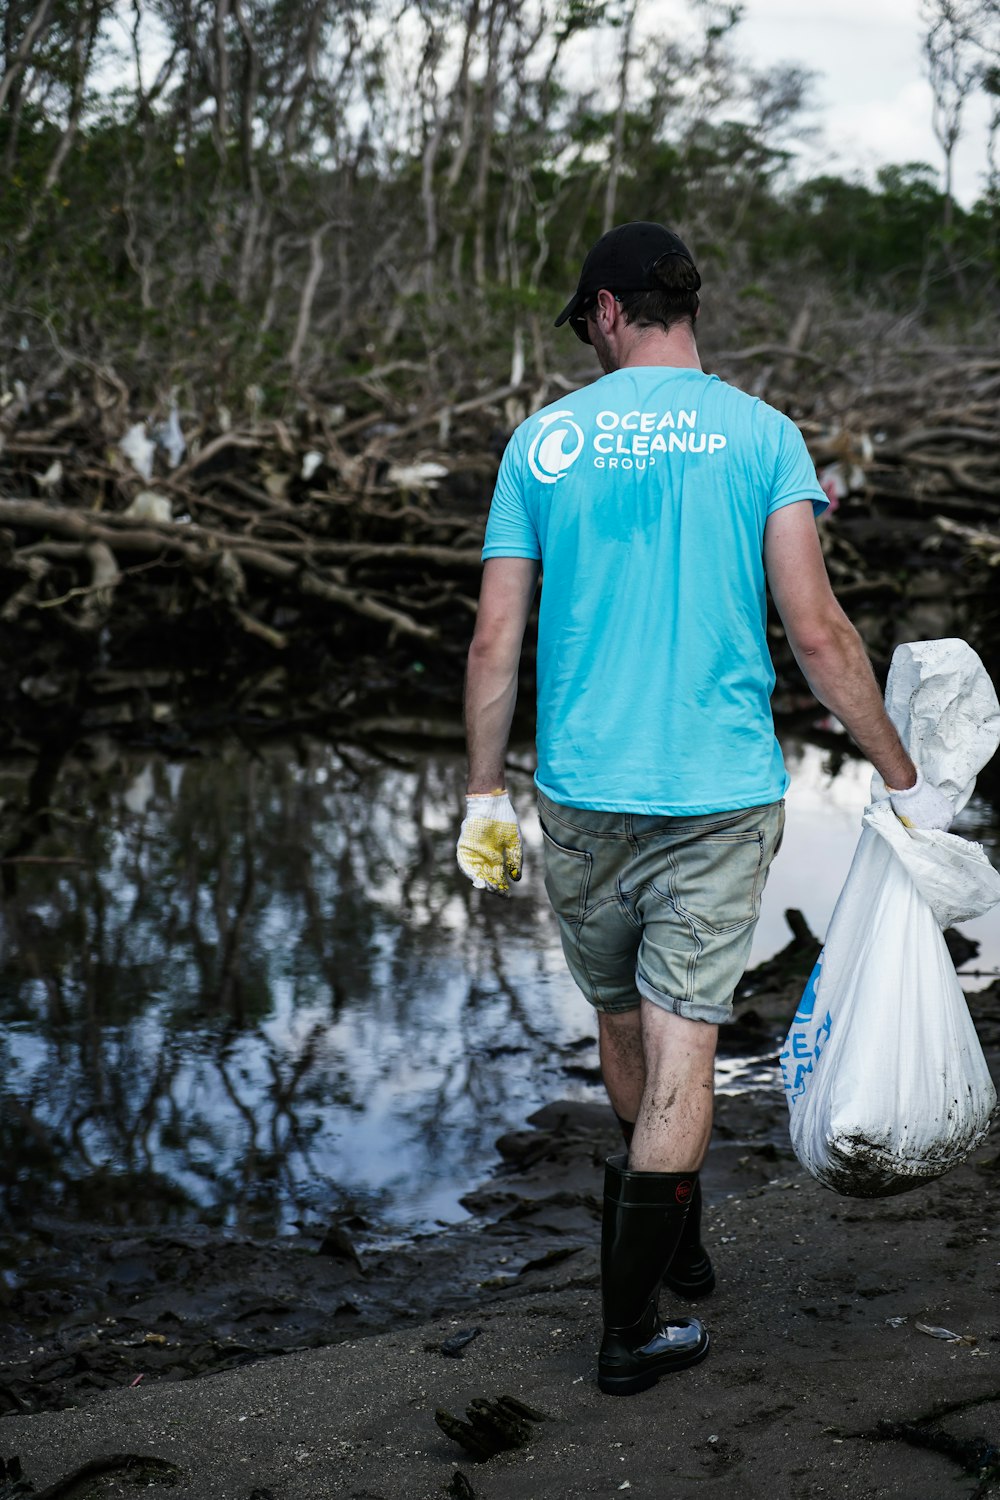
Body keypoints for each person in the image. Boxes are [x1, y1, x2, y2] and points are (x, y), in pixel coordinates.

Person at [456, 221, 953, 1398]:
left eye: (585, 323)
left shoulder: (544, 443)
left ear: (612, 312)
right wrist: (896, 771)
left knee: (623, 1025)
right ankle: (637, 1312)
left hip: (579, 794)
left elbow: (493, 638)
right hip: (720, 796)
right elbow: (819, 633)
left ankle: (667, 1254)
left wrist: (481, 790)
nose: (587, 341)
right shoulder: (763, 438)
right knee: (687, 1045)